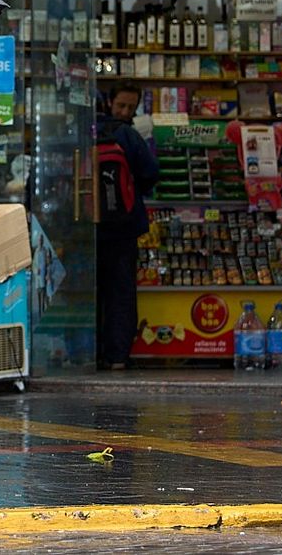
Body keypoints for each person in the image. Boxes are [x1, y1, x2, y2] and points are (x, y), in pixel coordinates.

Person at [97, 82, 159, 369]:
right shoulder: (130, 136)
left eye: (130, 107)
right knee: (121, 293)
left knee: (93, 293)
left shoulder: (90, 131)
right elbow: (150, 175)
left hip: (90, 229)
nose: (125, 111)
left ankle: (93, 352)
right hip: (124, 228)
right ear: (110, 101)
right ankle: (118, 356)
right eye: (122, 105)